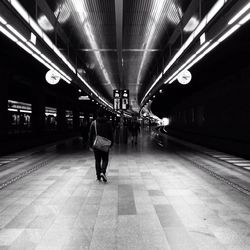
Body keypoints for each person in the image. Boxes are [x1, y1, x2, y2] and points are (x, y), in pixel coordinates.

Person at [88, 109, 113, 182]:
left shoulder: (94, 123)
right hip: (105, 144)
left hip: (96, 144)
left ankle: (98, 176)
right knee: (105, 159)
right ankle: (103, 172)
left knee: (97, 160)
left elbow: (90, 135)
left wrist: (90, 145)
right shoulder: (108, 123)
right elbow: (111, 135)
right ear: (104, 115)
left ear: (97, 114)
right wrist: (111, 144)